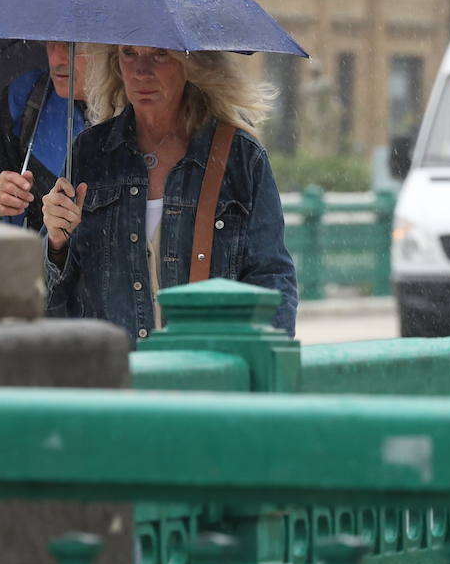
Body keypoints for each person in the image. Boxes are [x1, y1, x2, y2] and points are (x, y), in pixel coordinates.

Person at [41, 44, 297, 343]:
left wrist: (257, 371)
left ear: (192, 63)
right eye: (129, 53)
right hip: (115, 379)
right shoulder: (90, 154)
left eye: (160, 54)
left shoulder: (240, 158)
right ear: (115, 62)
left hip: (205, 375)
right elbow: (52, 305)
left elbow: (272, 280)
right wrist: (56, 244)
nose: (141, 71)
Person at [0, 41, 91, 230]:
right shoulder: (24, 97)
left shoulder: (141, 106)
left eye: (71, 46)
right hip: (35, 256)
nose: (55, 59)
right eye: (50, 43)